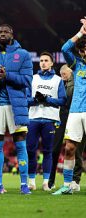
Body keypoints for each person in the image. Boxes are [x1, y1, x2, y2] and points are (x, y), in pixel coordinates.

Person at [0, 24, 33, 195]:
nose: (2, 34)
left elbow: (27, 80)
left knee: (21, 144)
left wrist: (7, 76)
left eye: (5, 32)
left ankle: (24, 185)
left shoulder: (23, 54)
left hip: (16, 105)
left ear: (12, 34)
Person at [53, 18, 86, 195]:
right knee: (70, 148)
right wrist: (81, 32)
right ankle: (67, 185)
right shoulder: (77, 64)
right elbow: (65, 48)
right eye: (81, 49)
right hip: (75, 111)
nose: (83, 51)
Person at [26, 52, 66, 191]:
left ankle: (45, 182)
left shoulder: (58, 80)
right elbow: (25, 99)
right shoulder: (32, 79)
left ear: (51, 63)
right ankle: (31, 181)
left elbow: (62, 100)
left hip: (50, 119)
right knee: (30, 150)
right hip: (33, 118)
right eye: (41, 60)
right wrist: (36, 100)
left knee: (48, 151)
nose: (43, 62)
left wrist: (47, 99)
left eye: (46, 60)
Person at [48, 64, 74, 189]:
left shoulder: (76, 83)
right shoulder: (58, 84)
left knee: (74, 149)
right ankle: (51, 180)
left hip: (73, 116)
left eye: (65, 74)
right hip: (61, 117)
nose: (63, 77)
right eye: (62, 74)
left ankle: (74, 181)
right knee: (55, 149)